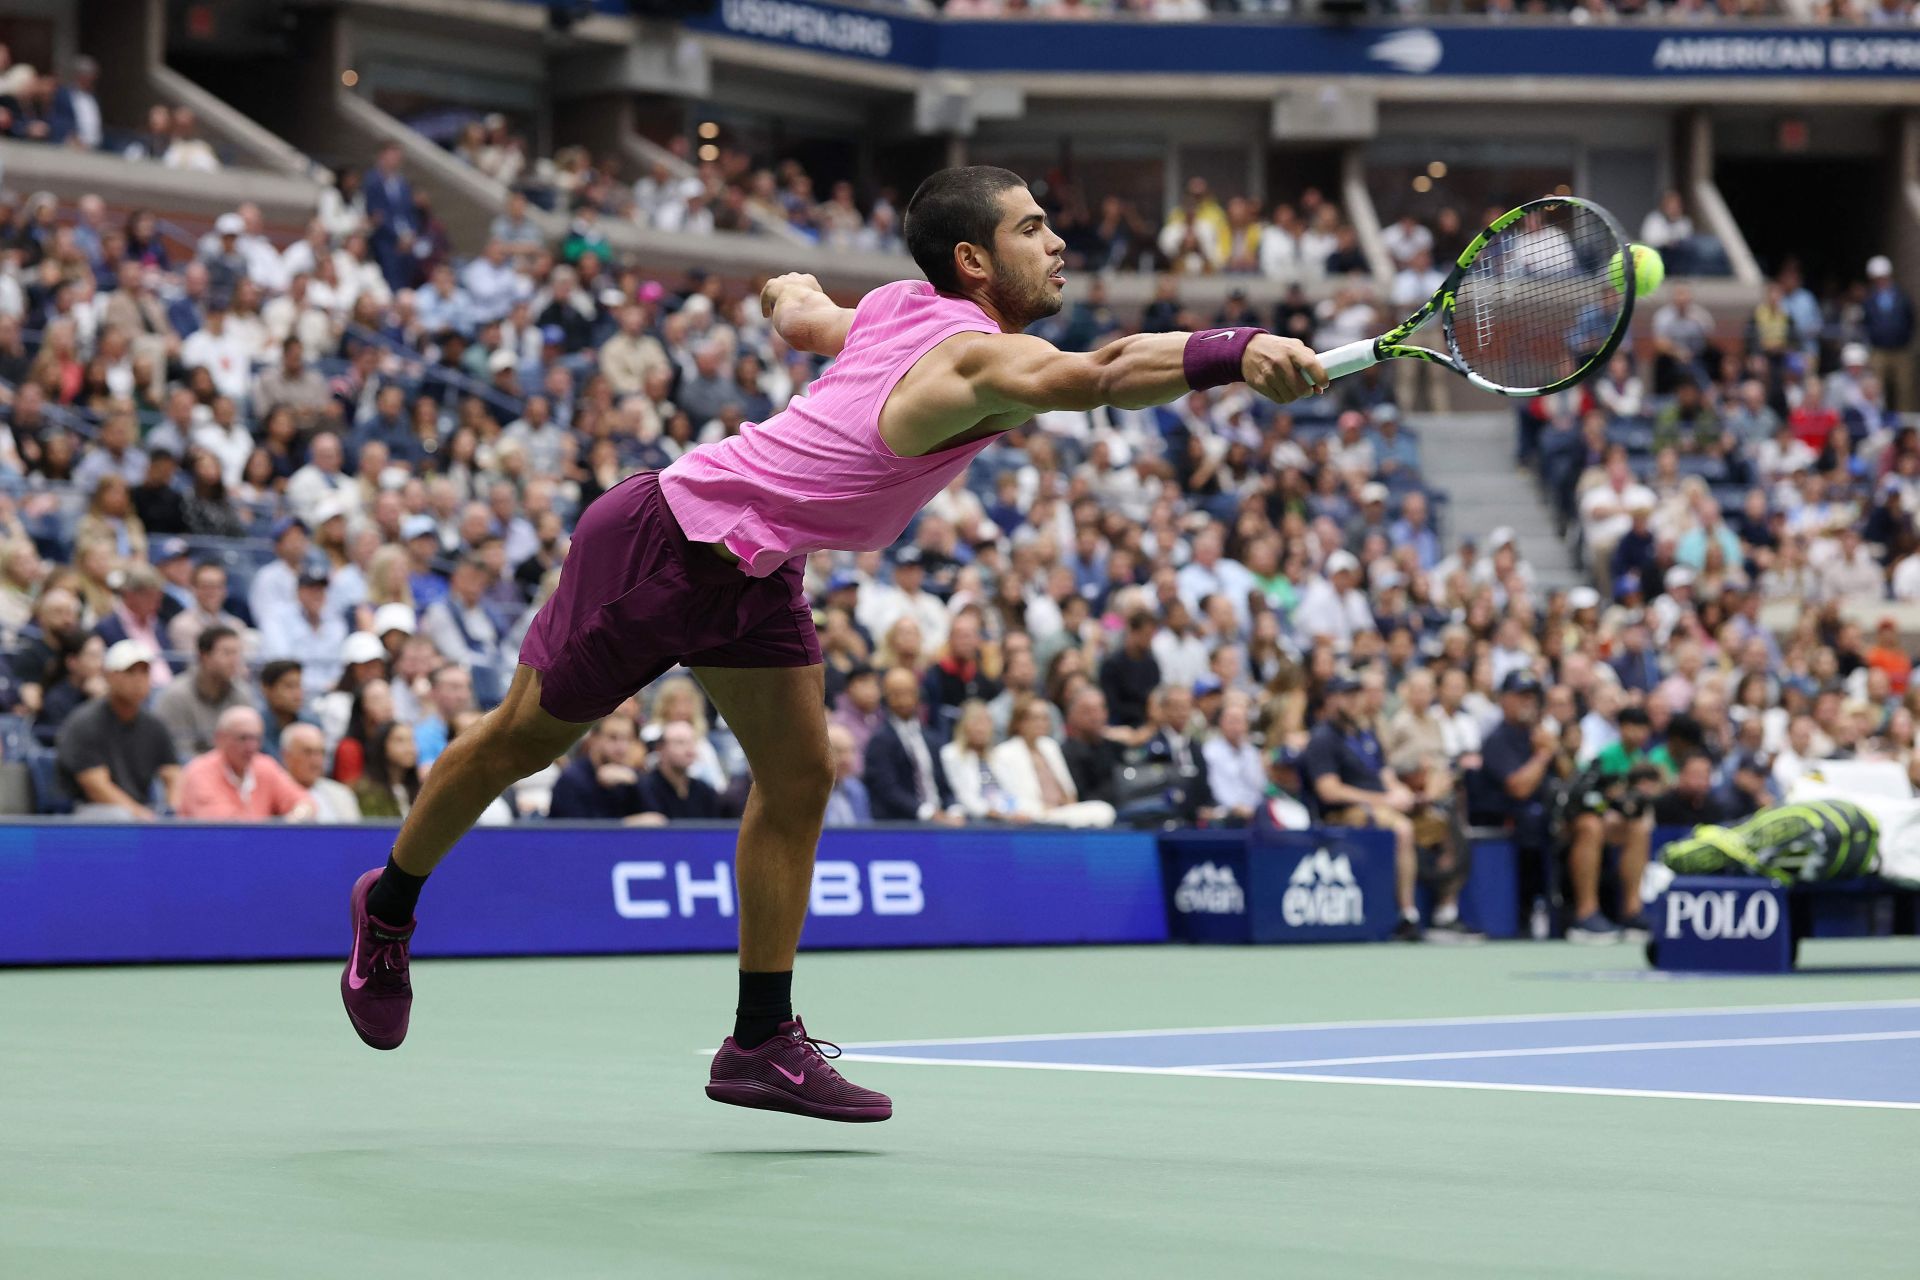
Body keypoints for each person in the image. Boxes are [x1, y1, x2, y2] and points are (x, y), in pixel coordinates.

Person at [337, 165, 1326, 1123]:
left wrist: (789, 291)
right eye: (1032, 228)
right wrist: (1230, 352)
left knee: (801, 776)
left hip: (763, 567)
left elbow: (814, 324)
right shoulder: (978, 357)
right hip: (668, 540)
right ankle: (388, 907)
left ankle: (759, 1039)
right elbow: (1105, 372)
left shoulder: (906, 308)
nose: (1058, 240)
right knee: (520, 742)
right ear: (974, 260)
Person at [1300, 675, 1425, 941]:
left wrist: (1399, 791)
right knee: (1402, 830)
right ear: (1331, 700)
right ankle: (1407, 914)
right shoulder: (1322, 738)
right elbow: (1329, 790)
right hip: (1344, 813)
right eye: (1347, 695)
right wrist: (1383, 800)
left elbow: (1384, 772)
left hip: (1381, 805)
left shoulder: (1365, 733)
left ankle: (1446, 911)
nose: (1355, 701)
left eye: (1357, 694)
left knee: (1440, 821)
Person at [55, 640, 180, 820]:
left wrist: (175, 812)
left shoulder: (155, 725)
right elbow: (96, 787)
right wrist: (144, 817)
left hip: (139, 810)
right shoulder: (84, 722)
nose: (138, 680)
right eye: (130, 672)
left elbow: (173, 774)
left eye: (144, 672)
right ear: (109, 676)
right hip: (87, 812)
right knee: (119, 817)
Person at [177, 706, 316, 820]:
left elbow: (304, 802)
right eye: (243, 738)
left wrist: (296, 818)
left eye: (256, 738)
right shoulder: (200, 772)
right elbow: (221, 825)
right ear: (220, 738)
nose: (251, 747)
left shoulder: (265, 766)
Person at [863, 665, 963, 823]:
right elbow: (888, 790)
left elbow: (943, 784)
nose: (903, 700)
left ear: (918, 694)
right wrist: (928, 814)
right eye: (896, 694)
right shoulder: (879, 741)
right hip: (903, 826)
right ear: (886, 696)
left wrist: (954, 809)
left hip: (940, 821)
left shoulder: (931, 738)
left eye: (908, 692)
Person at [151, 625, 254, 760]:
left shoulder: (243, 694)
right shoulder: (175, 696)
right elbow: (176, 753)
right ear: (204, 657)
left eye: (237, 654)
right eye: (227, 653)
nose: (234, 661)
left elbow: (250, 746)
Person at [547, 713, 647, 821]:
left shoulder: (629, 777)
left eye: (628, 739)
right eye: (613, 738)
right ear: (594, 739)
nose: (621, 747)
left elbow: (656, 817)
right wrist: (626, 825)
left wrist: (635, 782)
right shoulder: (572, 780)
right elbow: (581, 832)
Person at [637, 722, 726, 821]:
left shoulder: (704, 791)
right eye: (680, 742)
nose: (689, 749)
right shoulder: (644, 788)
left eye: (692, 742)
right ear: (660, 748)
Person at [281, 722, 361, 822]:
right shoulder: (272, 793)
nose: (316, 761)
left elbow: (356, 835)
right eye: (308, 752)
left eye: (320, 752)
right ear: (287, 756)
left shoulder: (342, 794)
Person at [353, 720, 422, 819]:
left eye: (412, 740)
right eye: (400, 740)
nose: (410, 748)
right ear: (382, 745)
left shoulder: (420, 788)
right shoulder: (368, 790)